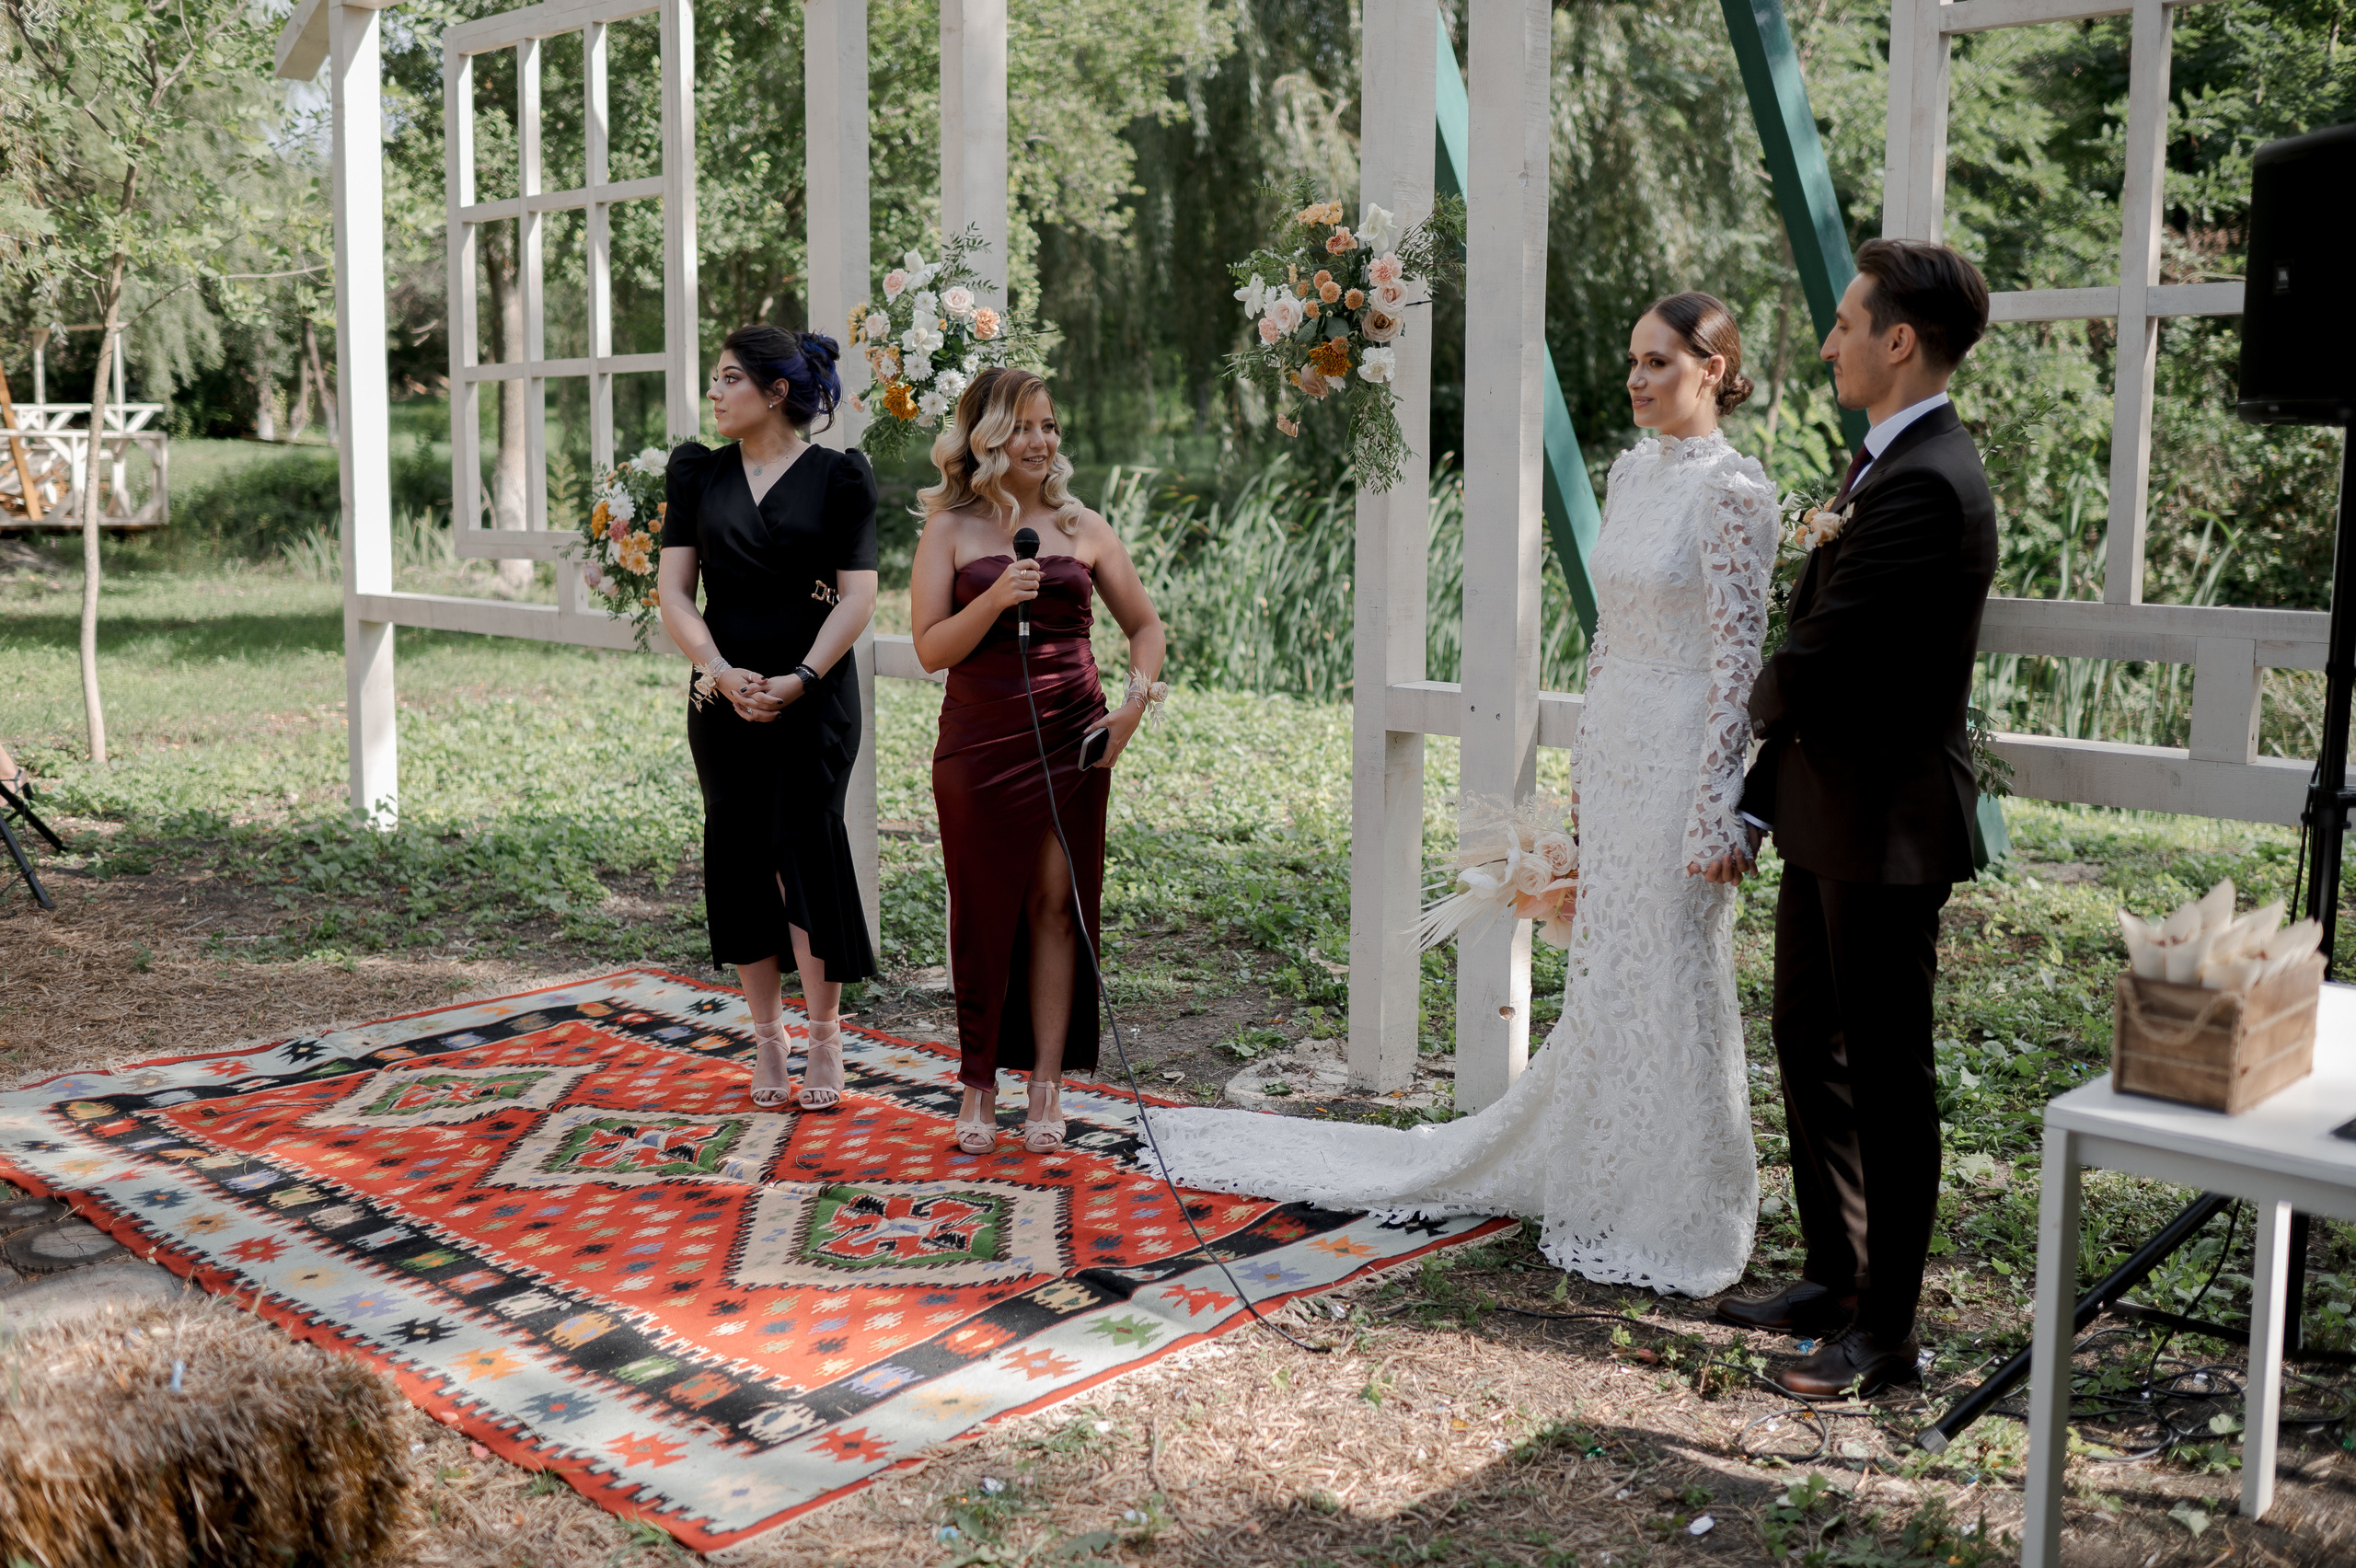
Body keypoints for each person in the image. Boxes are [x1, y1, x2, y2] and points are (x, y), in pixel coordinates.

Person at [1150, 294, 1775, 1297]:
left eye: (1660, 361)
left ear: (1713, 369)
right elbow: (1608, 635)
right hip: (1617, 750)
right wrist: (1582, 775)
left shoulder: (1737, 493)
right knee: (1610, 971)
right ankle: (1604, 1174)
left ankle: (1685, 1207)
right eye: (1632, 360)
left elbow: (1740, 657)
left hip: (1686, 753)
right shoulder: (1627, 473)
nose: (1637, 378)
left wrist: (1720, 803)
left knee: (1675, 973)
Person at [1707, 239, 1996, 1398]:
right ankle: (1835, 1271)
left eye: (1842, 323)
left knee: (1885, 1074)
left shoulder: (1929, 481)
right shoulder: (1882, 460)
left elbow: (1825, 657)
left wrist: (1719, 713)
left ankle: (1885, 1336)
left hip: (1883, 824)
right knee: (1807, 1044)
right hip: (1830, 808)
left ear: (1898, 341)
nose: (1827, 342)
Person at [910, 367, 1168, 1156]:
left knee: (1060, 905)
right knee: (982, 912)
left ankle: (1047, 1084)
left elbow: (1146, 628)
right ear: (986, 437)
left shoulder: (1083, 525)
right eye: (1023, 426)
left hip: (1072, 737)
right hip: (979, 744)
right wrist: (991, 599)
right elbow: (929, 649)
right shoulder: (949, 530)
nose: (1041, 440)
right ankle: (979, 1082)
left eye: (1049, 425)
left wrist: (1130, 708)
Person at [657, 325, 880, 1113]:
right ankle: (767, 1038)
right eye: (714, 380)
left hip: (812, 698)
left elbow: (857, 597)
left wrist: (801, 677)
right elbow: (675, 592)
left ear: (776, 391)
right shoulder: (696, 475)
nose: (713, 394)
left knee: (805, 852)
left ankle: (824, 1037)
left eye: (728, 380)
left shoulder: (839, 479)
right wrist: (718, 673)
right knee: (743, 853)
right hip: (720, 698)